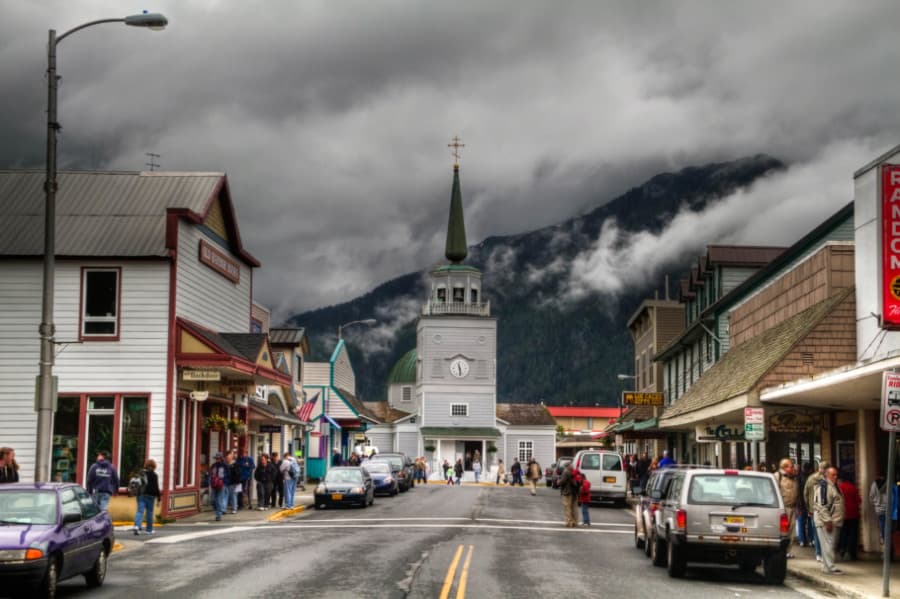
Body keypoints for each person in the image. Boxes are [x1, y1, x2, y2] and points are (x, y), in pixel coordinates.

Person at [813, 466, 845, 575]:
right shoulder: (825, 487)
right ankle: (830, 567)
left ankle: (827, 567)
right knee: (828, 545)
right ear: (827, 475)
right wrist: (827, 521)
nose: (835, 477)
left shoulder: (833, 486)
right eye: (833, 475)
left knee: (829, 545)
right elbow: (822, 505)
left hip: (833, 520)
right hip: (826, 521)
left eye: (836, 474)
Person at [804, 460, 829, 562]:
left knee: (816, 532)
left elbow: (805, 494)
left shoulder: (810, 479)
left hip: (813, 509)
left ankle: (818, 553)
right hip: (825, 509)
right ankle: (824, 553)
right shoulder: (827, 480)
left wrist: (808, 507)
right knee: (825, 533)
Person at [775, 458, 799, 557]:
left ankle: (787, 551)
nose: (793, 468)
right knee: (782, 532)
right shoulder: (777, 476)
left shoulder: (793, 477)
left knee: (791, 531)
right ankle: (781, 551)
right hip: (783, 508)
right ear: (784, 467)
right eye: (791, 466)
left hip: (792, 508)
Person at [132, 459, 161, 535]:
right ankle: (149, 530)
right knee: (150, 512)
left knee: (140, 511)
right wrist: (159, 499)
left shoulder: (141, 474)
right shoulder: (155, 475)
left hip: (141, 495)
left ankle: (137, 526)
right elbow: (156, 488)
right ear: (154, 466)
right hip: (151, 496)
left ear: (146, 465)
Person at [837, 474, 861, 561]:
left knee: (843, 533)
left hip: (843, 514)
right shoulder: (853, 487)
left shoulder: (839, 487)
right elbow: (859, 500)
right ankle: (850, 551)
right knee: (852, 534)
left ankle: (842, 549)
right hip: (853, 514)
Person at [796, 462, 814, 548]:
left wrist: (798, 503)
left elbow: (797, 491)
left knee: (801, 522)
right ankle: (811, 539)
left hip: (801, 504)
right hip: (810, 504)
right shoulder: (812, 479)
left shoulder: (799, 478)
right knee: (810, 522)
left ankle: (802, 540)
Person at [209, 452, 230, 521]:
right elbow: (210, 475)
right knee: (212, 500)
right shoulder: (213, 466)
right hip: (214, 485)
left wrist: (224, 482)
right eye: (216, 458)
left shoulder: (225, 466)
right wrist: (210, 482)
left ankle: (218, 515)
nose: (217, 459)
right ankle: (219, 509)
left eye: (218, 458)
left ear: (221, 459)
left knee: (219, 500)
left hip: (222, 485)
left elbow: (228, 475)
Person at [870, 474, 888, 545]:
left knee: (882, 526)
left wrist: (875, 504)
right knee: (889, 528)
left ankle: (883, 540)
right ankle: (888, 544)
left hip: (879, 509)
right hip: (888, 509)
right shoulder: (889, 483)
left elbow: (871, 496)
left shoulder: (874, 484)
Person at [559, 462, 578, 527]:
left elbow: (563, 481)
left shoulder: (566, 472)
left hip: (567, 492)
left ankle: (568, 522)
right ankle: (574, 522)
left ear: (566, 466)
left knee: (567, 507)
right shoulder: (573, 472)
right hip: (573, 492)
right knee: (573, 508)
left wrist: (558, 482)